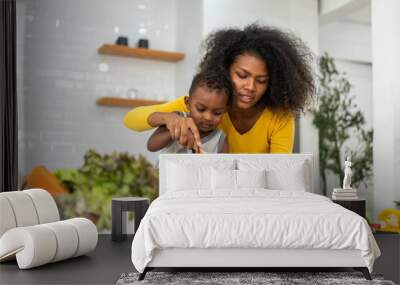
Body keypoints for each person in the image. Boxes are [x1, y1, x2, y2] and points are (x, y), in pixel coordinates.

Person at [124, 24, 315, 153]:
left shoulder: (280, 117)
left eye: (262, 80)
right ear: (225, 68)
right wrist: (167, 118)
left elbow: (280, 174)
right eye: (242, 75)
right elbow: (131, 119)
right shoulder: (203, 104)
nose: (250, 87)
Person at [147, 70, 231, 154]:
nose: (208, 117)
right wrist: (175, 132)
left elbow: (224, 166)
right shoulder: (176, 119)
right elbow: (151, 146)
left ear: (224, 111)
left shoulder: (220, 139)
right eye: (201, 109)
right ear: (187, 102)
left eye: (217, 113)